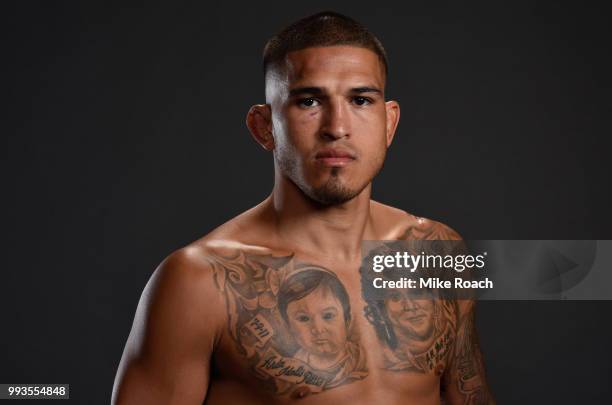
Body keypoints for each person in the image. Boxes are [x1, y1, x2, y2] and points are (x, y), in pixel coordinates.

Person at [112, 11, 494, 404]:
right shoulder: (199, 283)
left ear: (389, 122)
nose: (337, 126)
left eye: (361, 100)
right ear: (264, 127)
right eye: (309, 101)